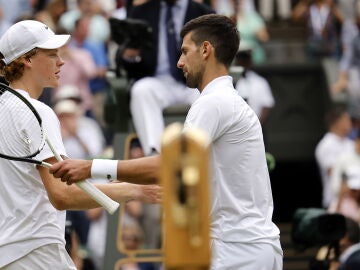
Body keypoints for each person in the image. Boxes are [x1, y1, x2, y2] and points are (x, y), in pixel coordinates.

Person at [50, 14, 283, 269]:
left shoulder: (213, 102)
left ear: (206, 50)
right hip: (245, 247)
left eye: (185, 51)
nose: (180, 62)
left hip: (238, 251)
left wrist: (90, 167)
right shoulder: (224, 100)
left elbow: (169, 167)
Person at [0, 19, 161, 270]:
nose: (61, 61)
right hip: (35, 251)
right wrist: (136, 190)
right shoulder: (38, 112)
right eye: (52, 54)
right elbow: (62, 195)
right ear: (26, 60)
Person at [118, 0, 214, 156]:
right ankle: (156, 157)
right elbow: (123, 56)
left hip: (194, 81)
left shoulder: (204, 14)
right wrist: (130, 56)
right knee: (141, 90)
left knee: (210, 95)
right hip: (157, 81)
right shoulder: (140, 12)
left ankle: (198, 156)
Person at [315, 106, 354, 209]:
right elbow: (333, 172)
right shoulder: (325, 145)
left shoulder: (351, 144)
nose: (350, 123)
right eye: (346, 120)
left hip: (354, 200)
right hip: (334, 201)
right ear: (336, 122)